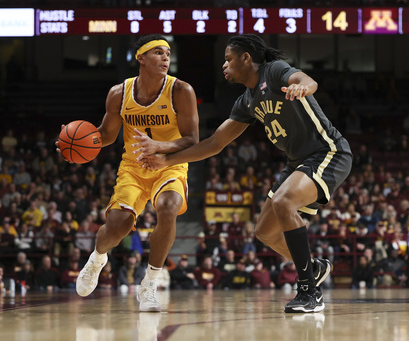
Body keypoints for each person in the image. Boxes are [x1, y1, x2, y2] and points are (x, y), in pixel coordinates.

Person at [136, 34, 351, 313]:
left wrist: (303, 88)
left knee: (284, 202)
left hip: (328, 152)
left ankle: (310, 291)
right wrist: (166, 160)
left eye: (228, 60)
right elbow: (214, 144)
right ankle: (315, 268)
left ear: (246, 58)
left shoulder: (273, 71)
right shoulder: (247, 100)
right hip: (297, 162)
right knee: (265, 232)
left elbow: (306, 80)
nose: (224, 66)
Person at [56, 34, 199, 312]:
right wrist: (71, 142)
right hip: (133, 167)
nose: (165, 57)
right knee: (118, 226)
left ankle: (149, 284)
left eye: (168, 53)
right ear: (141, 58)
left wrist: (160, 147)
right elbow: (105, 136)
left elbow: (192, 139)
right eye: (158, 52)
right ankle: (97, 259)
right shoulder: (119, 94)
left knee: (168, 207)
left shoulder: (181, 90)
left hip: (170, 163)